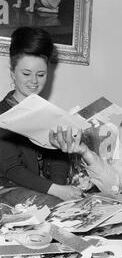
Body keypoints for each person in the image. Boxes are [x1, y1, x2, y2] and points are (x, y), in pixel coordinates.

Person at [0, 26, 83, 205]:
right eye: (26, 73)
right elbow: (12, 169)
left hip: (45, 190)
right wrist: (57, 191)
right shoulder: (2, 115)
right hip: (8, 190)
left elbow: (58, 159)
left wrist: (61, 189)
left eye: (41, 74)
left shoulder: (48, 112)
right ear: (12, 73)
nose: (34, 81)